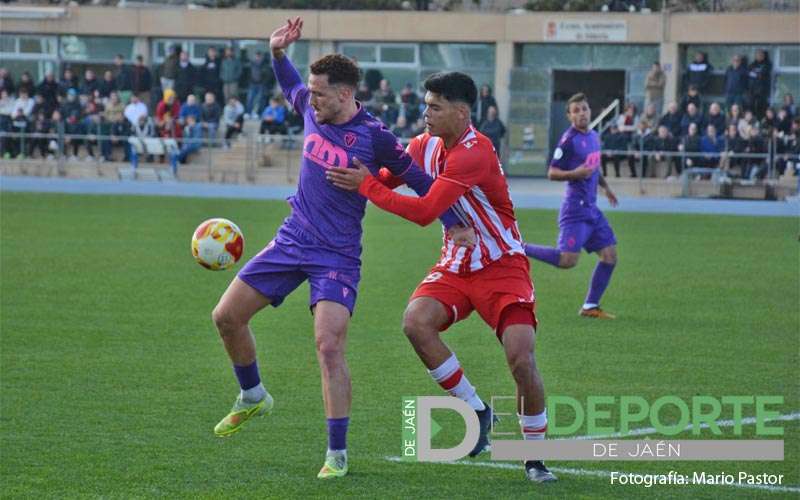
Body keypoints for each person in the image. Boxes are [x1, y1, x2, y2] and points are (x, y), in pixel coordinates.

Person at [209, 17, 467, 480]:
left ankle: (337, 454)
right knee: (225, 317)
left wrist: (453, 221)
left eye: (322, 93)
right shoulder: (311, 107)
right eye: (312, 92)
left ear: (346, 94)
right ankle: (252, 396)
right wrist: (277, 53)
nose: (313, 100)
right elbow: (290, 86)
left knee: (328, 345)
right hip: (292, 239)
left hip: (337, 255)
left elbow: (418, 179)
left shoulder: (375, 137)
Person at [327, 71, 557, 484]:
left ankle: (535, 456)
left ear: (461, 112)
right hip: (455, 264)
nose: (425, 113)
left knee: (521, 357)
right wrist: (353, 172)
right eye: (426, 105)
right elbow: (385, 178)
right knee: (416, 322)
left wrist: (367, 188)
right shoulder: (422, 146)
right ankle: (477, 410)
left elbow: (424, 211)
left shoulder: (475, 152)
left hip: (502, 266)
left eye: (435, 107)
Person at [522, 93, 619, 319]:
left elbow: (594, 168)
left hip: (592, 209)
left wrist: (606, 187)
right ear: (569, 116)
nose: (581, 113)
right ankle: (519, 247)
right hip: (575, 210)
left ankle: (590, 306)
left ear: (589, 111)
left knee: (610, 256)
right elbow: (552, 172)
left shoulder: (594, 136)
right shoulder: (568, 141)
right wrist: (575, 173)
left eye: (584, 109)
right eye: (576, 110)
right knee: (567, 261)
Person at [747, 49, 772, 119]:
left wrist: (754, 73)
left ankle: (760, 120)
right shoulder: (752, 64)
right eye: (758, 55)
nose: (759, 56)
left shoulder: (767, 64)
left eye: (761, 55)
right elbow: (748, 72)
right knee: (751, 106)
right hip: (752, 90)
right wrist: (756, 74)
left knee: (761, 107)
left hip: (762, 90)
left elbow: (762, 75)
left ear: (764, 56)